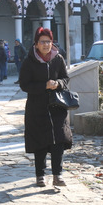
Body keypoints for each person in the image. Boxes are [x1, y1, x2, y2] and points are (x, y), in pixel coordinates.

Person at [19, 27, 72, 188]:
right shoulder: (29, 61)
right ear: (36, 44)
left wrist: (58, 84)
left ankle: (57, 175)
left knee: (58, 141)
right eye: (42, 42)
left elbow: (65, 78)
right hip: (37, 108)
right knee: (40, 143)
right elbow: (24, 85)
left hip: (57, 107)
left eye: (48, 42)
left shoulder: (58, 59)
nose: (46, 45)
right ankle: (40, 175)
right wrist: (44, 86)